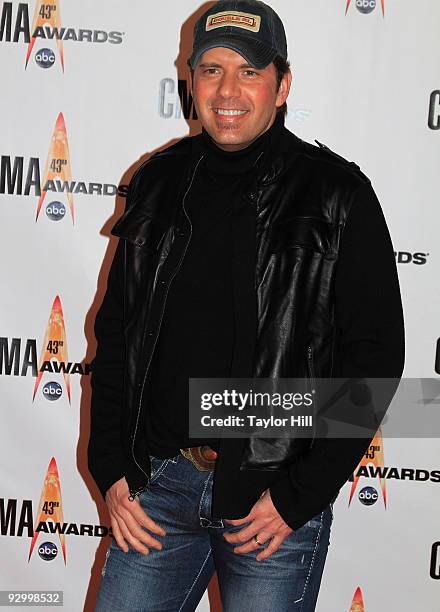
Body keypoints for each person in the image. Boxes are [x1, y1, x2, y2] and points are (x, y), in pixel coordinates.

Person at [88, 1, 405, 610]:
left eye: (249, 71)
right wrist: (113, 471)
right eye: (210, 70)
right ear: (191, 83)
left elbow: (377, 360)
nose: (227, 90)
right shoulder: (157, 181)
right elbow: (116, 337)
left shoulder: (338, 194)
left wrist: (299, 495)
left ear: (282, 85)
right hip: (157, 489)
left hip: (272, 504)